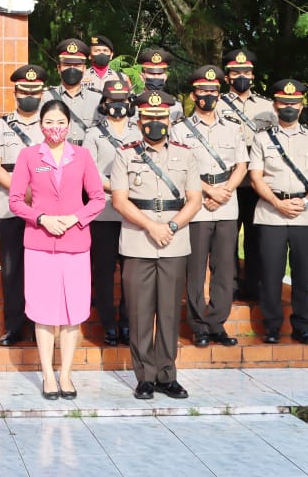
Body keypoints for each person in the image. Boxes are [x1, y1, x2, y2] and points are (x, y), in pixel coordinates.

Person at [8, 100, 106, 400]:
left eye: (60, 122)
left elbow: (98, 198)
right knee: (44, 311)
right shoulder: (28, 156)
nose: (55, 128)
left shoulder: (83, 156)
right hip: (40, 243)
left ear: (69, 125)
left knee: (72, 312)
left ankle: (66, 374)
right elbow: (15, 200)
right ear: (41, 125)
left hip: (75, 243)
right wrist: (42, 219)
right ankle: (48, 376)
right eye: (49, 122)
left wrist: (75, 218)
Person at [111, 89, 202, 400]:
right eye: (149, 118)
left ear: (170, 119)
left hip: (174, 243)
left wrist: (172, 226)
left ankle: (167, 375)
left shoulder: (186, 153)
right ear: (139, 120)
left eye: (160, 117)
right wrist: (151, 226)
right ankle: (145, 377)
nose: (155, 123)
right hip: (138, 241)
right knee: (139, 313)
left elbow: (195, 199)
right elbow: (120, 201)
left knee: (167, 313)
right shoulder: (125, 154)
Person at [248, 79, 308, 345]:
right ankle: (272, 326)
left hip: (305, 214)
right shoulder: (262, 139)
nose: (289, 107)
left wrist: (306, 202)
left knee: (303, 273)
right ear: (275, 105)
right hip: (271, 213)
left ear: (302, 106)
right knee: (270, 273)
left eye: (294, 103)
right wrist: (277, 202)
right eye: (283, 103)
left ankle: (302, 326)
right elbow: (256, 177)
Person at [171, 66, 248, 348]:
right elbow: (178, 166)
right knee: (195, 268)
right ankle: (198, 325)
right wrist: (208, 191)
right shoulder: (179, 129)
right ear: (194, 95)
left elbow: (242, 164)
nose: (208, 96)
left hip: (227, 204)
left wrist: (226, 190)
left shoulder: (231, 126)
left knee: (224, 268)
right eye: (203, 91)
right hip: (198, 203)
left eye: (213, 91)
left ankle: (217, 323)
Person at [0, 64, 47, 346]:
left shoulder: (51, 126)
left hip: (44, 212)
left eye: (35, 91)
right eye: (24, 91)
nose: (29, 96)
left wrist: (39, 194)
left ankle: (40, 325)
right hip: (10, 207)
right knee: (12, 270)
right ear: (15, 93)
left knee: (41, 269)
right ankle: (14, 326)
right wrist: (24, 191)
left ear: (43, 93)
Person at [83, 79, 140, 346]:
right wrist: (118, 188)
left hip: (132, 211)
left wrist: (126, 191)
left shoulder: (139, 132)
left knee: (130, 272)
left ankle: (127, 323)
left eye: (123, 101)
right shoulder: (92, 135)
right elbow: (89, 171)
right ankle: (108, 324)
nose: (118, 106)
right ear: (104, 103)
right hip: (104, 210)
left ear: (130, 103)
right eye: (112, 101)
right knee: (103, 271)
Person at [218, 48, 276, 302]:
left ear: (253, 76)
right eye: (235, 73)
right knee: (226, 240)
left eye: (246, 72)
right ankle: (229, 286)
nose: (241, 77)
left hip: (257, 185)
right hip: (227, 183)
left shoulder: (267, 107)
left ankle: (253, 286)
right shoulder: (216, 104)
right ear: (227, 77)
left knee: (256, 237)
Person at [42, 38, 103, 145]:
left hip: (87, 155)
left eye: (77, 65)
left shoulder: (97, 99)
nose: (72, 69)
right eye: (67, 65)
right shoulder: (45, 97)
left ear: (84, 69)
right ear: (59, 68)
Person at [135, 47, 184, 121]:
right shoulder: (132, 104)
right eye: (151, 73)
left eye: (159, 73)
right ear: (142, 76)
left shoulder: (175, 106)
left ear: (165, 77)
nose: (156, 77)